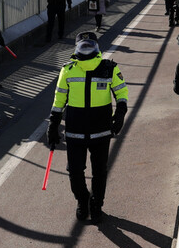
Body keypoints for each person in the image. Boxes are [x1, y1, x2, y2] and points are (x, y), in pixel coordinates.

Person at [48, 32, 129, 223]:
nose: (86, 49)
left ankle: (96, 205)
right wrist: (53, 123)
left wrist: (121, 112)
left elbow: (121, 91)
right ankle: (83, 200)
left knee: (99, 171)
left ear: (96, 47)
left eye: (89, 45)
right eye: (83, 45)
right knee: (75, 171)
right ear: (76, 48)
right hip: (75, 130)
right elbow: (59, 98)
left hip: (101, 130)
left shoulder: (109, 68)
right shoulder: (67, 70)